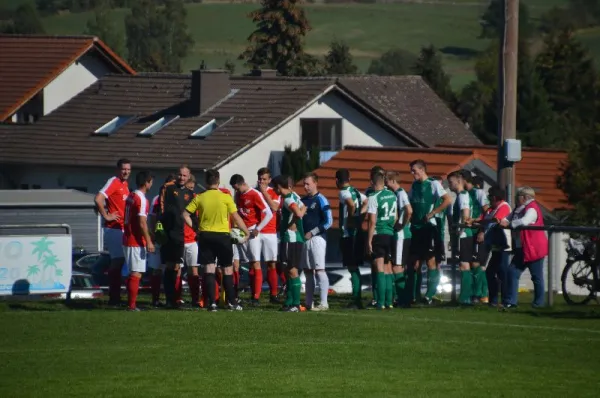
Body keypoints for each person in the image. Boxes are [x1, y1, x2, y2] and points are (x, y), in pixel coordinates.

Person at [183, 169, 250, 312]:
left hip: (206, 236)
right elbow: (236, 217)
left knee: (209, 269)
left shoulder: (200, 197)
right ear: (218, 181)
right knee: (227, 269)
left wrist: (195, 228)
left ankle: (212, 303)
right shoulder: (225, 197)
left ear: (206, 182)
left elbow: (185, 214)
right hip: (223, 237)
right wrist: (246, 232)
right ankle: (231, 302)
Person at [408, 160, 452, 306]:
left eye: (414, 170)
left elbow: (447, 200)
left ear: (422, 170)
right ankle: (414, 295)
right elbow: (410, 203)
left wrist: (433, 212)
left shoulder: (433, 184)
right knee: (414, 263)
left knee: (430, 260)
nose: (412, 173)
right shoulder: (414, 185)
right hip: (415, 228)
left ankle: (429, 295)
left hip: (428, 228)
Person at [500, 187, 548, 308]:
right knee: (512, 272)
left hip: (533, 248)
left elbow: (525, 221)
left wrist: (510, 224)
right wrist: (503, 221)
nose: (516, 199)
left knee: (536, 277)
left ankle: (539, 303)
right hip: (523, 248)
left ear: (525, 197)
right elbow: (507, 218)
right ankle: (511, 302)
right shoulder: (518, 208)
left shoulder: (532, 208)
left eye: (518, 196)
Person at [229, 174, 273, 306]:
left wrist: (258, 228)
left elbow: (269, 213)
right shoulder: (238, 195)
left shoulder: (254, 194)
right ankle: (236, 295)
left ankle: (256, 297)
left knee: (255, 262)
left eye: (236, 188)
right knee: (238, 264)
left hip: (252, 232)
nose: (235, 191)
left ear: (241, 184)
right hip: (240, 232)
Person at [95, 158, 131, 306]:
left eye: (128, 169)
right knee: (117, 261)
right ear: (118, 169)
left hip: (121, 227)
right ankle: (114, 297)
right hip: (113, 228)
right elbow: (98, 199)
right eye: (124, 169)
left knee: (121, 261)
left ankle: (116, 296)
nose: (126, 172)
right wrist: (106, 215)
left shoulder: (124, 184)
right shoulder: (114, 181)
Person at [158, 165, 194, 308]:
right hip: (168, 233)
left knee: (177, 266)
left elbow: (191, 215)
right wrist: (160, 227)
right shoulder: (167, 187)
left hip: (181, 234)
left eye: (185, 176)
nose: (182, 178)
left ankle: (175, 299)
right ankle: (169, 299)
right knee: (169, 266)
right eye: (180, 175)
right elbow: (160, 208)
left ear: (189, 176)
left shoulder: (190, 194)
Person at [272, 175, 306, 312]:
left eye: (275, 187)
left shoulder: (287, 199)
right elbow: (304, 207)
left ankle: (296, 304)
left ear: (279, 187)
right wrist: (297, 217)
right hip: (296, 238)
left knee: (292, 270)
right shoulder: (295, 195)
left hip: (290, 238)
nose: (274, 189)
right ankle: (290, 301)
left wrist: (293, 222)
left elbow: (299, 212)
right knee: (288, 270)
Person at [122, 171, 154, 311]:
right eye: (151, 181)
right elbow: (142, 222)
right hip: (135, 239)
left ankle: (130, 303)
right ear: (147, 182)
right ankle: (132, 305)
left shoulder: (131, 195)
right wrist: (149, 241)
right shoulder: (141, 199)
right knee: (136, 273)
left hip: (127, 237)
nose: (151, 184)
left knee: (133, 272)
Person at [301, 172, 333, 311]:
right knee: (308, 272)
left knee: (320, 270)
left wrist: (313, 232)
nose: (305, 186)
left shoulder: (321, 200)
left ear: (315, 183)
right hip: (305, 240)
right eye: (304, 184)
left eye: (308, 183)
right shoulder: (302, 201)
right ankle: (309, 302)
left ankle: (324, 303)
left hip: (318, 239)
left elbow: (329, 222)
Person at [335, 168, 367, 309]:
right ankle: (357, 297)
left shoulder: (343, 192)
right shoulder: (356, 192)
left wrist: (352, 218)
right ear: (350, 178)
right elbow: (367, 201)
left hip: (348, 234)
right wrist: (360, 215)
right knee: (354, 267)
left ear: (337, 181)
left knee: (352, 267)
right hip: (358, 233)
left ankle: (356, 299)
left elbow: (350, 204)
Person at [367, 169, 398, 310]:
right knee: (387, 268)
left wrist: (369, 240)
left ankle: (380, 302)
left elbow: (372, 221)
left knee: (379, 267)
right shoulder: (392, 195)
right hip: (390, 234)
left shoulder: (373, 197)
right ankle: (389, 301)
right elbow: (396, 217)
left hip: (379, 234)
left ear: (373, 183)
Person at [479, 186, 512, 307]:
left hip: (503, 245)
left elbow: (496, 219)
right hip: (495, 245)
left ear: (494, 197)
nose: (488, 200)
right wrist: (475, 220)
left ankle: (505, 300)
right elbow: (485, 218)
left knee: (502, 272)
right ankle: (493, 300)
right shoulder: (493, 208)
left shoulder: (503, 206)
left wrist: (483, 220)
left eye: (490, 197)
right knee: (490, 272)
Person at [462, 170, 491, 303]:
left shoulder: (478, 193)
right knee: (470, 263)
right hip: (467, 233)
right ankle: (473, 293)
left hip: (477, 231)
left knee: (477, 263)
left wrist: (482, 230)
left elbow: (487, 213)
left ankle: (482, 294)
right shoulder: (463, 194)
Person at [385, 171, 413, 307]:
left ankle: (403, 299)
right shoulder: (394, 194)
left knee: (398, 266)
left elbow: (409, 210)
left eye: (386, 180)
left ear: (392, 181)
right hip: (397, 235)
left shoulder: (401, 193)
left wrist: (403, 224)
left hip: (401, 235)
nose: (385, 183)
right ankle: (400, 297)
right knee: (396, 265)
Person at [147, 174, 175, 307]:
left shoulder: (177, 198)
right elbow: (152, 217)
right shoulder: (157, 199)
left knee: (173, 268)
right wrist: (153, 234)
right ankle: (155, 299)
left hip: (173, 238)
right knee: (157, 269)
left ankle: (173, 298)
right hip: (160, 237)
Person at [447, 170, 475, 305]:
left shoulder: (463, 195)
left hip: (465, 234)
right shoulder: (459, 196)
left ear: (459, 181)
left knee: (465, 265)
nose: (450, 185)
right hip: (462, 234)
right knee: (463, 264)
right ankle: (465, 297)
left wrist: (461, 228)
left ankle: (465, 298)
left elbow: (466, 214)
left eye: (451, 182)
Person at [256, 167, 282, 303]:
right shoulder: (253, 193)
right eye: (260, 179)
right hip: (255, 231)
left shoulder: (274, 192)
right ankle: (255, 295)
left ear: (269, 180)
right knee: (254, 263)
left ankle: (273, 294)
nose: (262, 182)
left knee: (271, 263)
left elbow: (275, 207)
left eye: (264, 179)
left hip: (270, 232)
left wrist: (264, 192)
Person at [184, 174, 201, 309]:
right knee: (176, 269)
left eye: (192, 188)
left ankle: (195, 299)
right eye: (188, 188)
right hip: (178, 238)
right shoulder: (176, 197)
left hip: (192, 239)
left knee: (193, 269)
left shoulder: (196, 198)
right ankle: (176, 299)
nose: (191, 190)